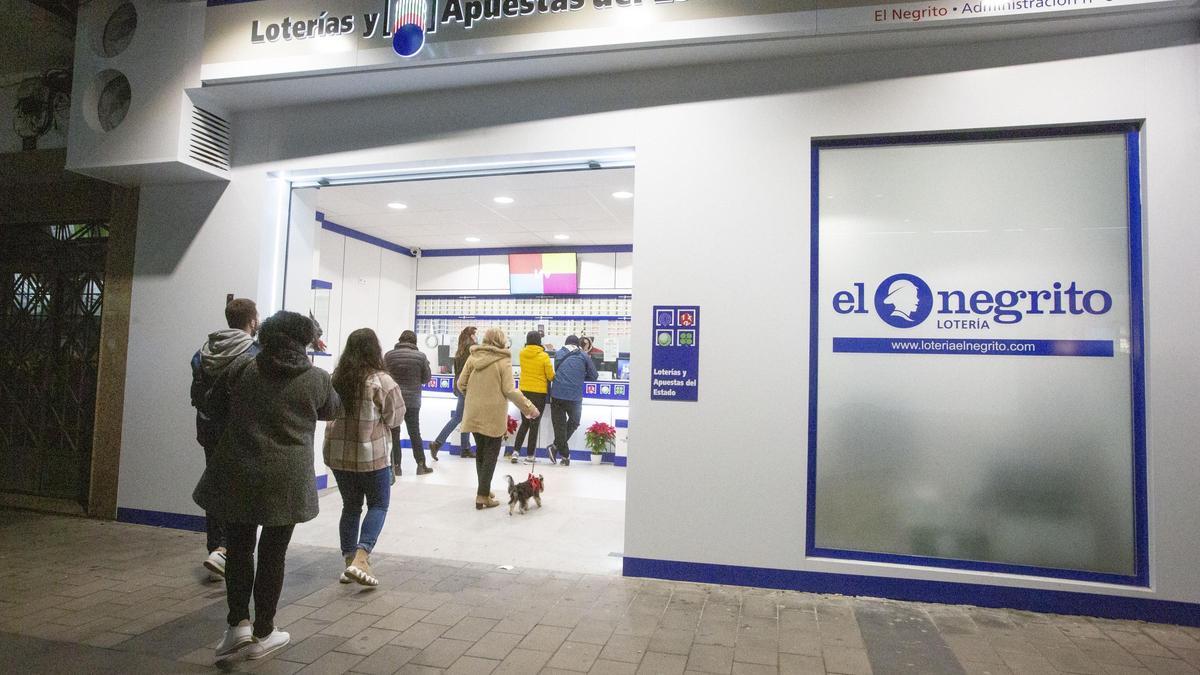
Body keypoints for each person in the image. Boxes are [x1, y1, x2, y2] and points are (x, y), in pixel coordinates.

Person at [193, 311, 339, 662]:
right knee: (274, 552)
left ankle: (237, 625)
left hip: (239, 469)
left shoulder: (243, 368)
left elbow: (210, 404)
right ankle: (264, 631)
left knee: (240, 549)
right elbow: (333, 410)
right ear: (304, 341)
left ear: (267, 336)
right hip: (286, 479)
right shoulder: (316, 378)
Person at [324, 328, 404, 587]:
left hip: (338, 455)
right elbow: (395, 418)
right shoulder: (382, 381)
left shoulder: (336, 378)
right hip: (372, 456)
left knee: (350, 506)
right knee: (378, 504)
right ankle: (361, 557)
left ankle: (349, 562)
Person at [189, 298, 260, 582]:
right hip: (240, 432)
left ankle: (216, 548)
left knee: (215, 486)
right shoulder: (254, 352)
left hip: (208, 429)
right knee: (240, 491)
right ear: (252, 321)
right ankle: (228, 551)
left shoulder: (204, 350)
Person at [458, 328, 539, 509]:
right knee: (491, 455)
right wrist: (530, 408)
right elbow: (510, 390)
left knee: (480, 451)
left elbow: (460, 384)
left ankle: (483, 490)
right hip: (493, 413)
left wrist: (473, 397)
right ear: (502, 341)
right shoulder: (504, 361)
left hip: (473, 411)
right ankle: (482, 496)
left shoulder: (473, 357)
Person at [384, 330, 433, 476]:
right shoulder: (420, 357)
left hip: (394, 399)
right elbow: (426, 378)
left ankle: (396, 466)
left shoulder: (389, 356)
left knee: (394, 432)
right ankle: (421, 465)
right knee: (414, 432)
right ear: (414, 342)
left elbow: (383, 375)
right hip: (413, 401)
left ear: (400, 340)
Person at [549, 335, 598, 466]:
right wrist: (581, 374)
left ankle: (559, 451)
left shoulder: (558, 354)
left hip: (557, 394)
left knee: (559, 426)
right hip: (574, 396)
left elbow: (557, 371)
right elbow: (594, 376)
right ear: (578, 345)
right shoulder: (584, 355)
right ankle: (561, 452)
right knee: (574, 422)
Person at [429, 326, 476, 459]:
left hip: (460, 385)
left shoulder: (460, 350)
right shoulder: (472, 349)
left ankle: (465, 448)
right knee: (459, 417)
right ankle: (437, 443)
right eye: (475, 334)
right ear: (471, 335)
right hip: (467, 386)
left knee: (464, 417)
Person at [509, 331, 554, 464]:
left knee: (525, 423)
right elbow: (550, 375)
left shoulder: (522, 353)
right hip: (539, 393)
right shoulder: (544, 356)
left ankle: (515, 452)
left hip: (524, 392)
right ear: (539, 341)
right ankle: (530, 456)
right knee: (534, 424)